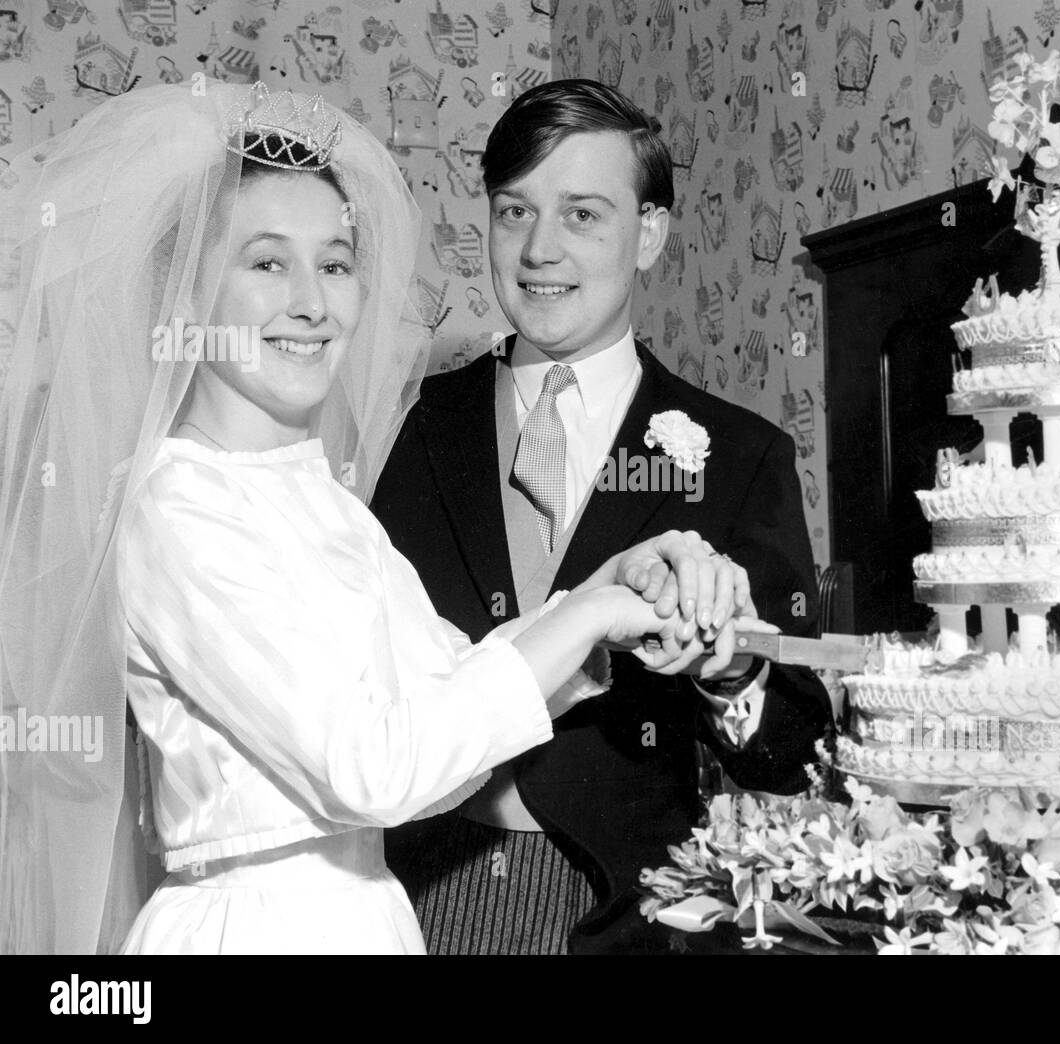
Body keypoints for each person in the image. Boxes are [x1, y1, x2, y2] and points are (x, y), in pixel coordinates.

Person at [0, 82, 757, 954]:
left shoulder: (323, 500)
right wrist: (590, 612)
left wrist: (608, 588)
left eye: (334, 262)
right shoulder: (179, 510)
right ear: (188, 296)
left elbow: (448, 711)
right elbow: (379, 768)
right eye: (266, 262)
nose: (312, 302)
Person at [372, 80, 833, 955]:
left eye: (582, 214)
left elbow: (791, 747)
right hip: (410, 894)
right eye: (515, 213)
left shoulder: (741, 457)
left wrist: (730, 673)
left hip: (628, 914)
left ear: (647, 233)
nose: (540, 249)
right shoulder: (409, 427)